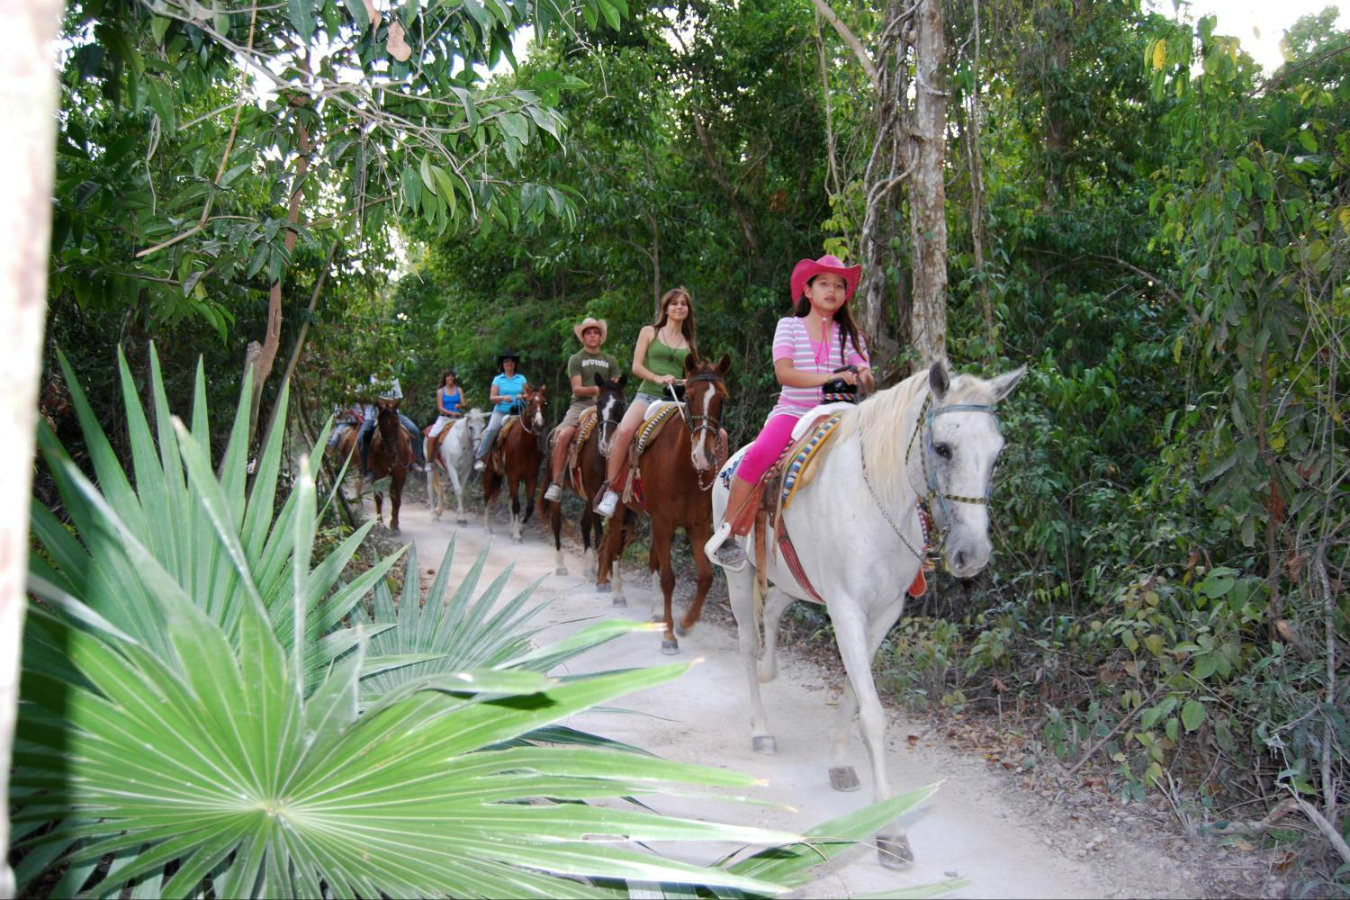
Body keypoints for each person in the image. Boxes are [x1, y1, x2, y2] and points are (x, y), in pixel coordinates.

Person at [704, 254, 875, 568]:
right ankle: (729, 533)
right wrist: (832, 377)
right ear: (808, 291)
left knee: (885, 455)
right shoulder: (789, 327)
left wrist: (863, 375)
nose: (832, 290)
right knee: (759, 455)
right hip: (794, 412)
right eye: (824, 283)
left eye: (839, 285)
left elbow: (866, 372)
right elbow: (785, 374)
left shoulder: (851, 335)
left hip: (842, 414)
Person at [593, 287, 697, 518]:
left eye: (684, 304)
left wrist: (682, 380)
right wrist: (658, 377)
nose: (679, 307)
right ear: (666, 308)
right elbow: (636, 367)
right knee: (623, 432)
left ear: (688, 310)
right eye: (674, 303)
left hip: (675, 400)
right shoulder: (649, 332)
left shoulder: (689, 342)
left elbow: (692, 375)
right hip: (647, 394)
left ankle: (698, 490)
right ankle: (611, 491)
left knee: (699, 435)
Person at [543, 317, 622, 502]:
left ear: (601, 337)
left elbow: (617, 386)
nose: (593, 336)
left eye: (596, 332)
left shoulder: (610, 360)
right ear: (583, 337)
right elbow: (577, 388)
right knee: (563, 435)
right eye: (589, 333)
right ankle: (556, 483)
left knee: (628, 434)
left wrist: (606, 394)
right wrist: (597, 390)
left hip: (607, 405)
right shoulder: (576, 359)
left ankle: (625, 482)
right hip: (581, 405)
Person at [359, 373, 427, 478]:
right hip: (373, 415)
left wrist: (390, 403)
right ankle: (367, 469)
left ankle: (415, 460)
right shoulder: (369, 379)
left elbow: (398, 398)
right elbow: (362, 398)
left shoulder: (393, 379)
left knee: (413, 429)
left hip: (392, 414)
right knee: (361, 439)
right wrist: (376, 401)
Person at [474, 350, 528, 472]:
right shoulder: (498, 379)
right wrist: (503, 398)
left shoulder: (521, 378)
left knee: (534, 426)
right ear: (502, 364)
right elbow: (492, 398)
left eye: (512, 361)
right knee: (491, 429)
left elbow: (528, 394)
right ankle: (480, 457)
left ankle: (539, 456)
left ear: (515, 364)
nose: (509, 363)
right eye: (506, 361)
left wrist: (522, 396)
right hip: (501, 411)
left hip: (519, 411)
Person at [425, 369, 464, 464]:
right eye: (448, 376)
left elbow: (464, 403)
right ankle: (430, 459)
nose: (450, 378)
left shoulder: (459, 390)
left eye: (452, 376)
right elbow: (440, 407)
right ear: (445, 378)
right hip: (444, 418)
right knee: (432, 435)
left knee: (470, 433)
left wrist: (460, 405)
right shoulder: (440, 391)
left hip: (457, 419)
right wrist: (452, 413)